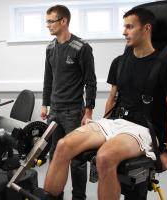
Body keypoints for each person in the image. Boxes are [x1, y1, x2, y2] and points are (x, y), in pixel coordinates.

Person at [39, 7, 167, 200]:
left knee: (104, 157)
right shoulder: (119, 62)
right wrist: (100, 125)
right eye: (124, 26)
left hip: (143, 129)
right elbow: (112, 99)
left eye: (130, 27)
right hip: (114, 123)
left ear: (146, 28)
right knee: (63, 146)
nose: (124, 32)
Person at [40, 4, 97, 200]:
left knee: (77, 160)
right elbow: (49, 78)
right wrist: (44, 104)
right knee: (55, 157)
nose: (47, 25)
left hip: (74, 112)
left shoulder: (82, 48)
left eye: (50, 21)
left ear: (63, 21)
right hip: (54, 111)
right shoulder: (50, 48)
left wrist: (88, 113)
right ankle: (56, 195)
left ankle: (78, 197)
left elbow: (91, 82)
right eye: (47, 21)